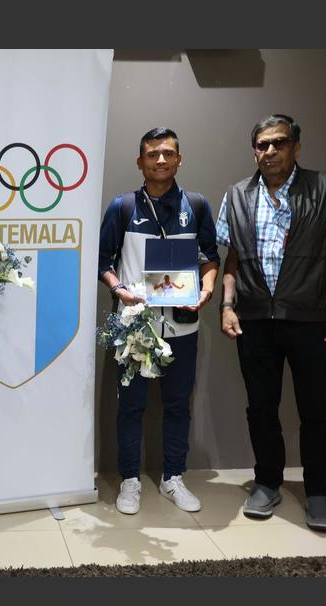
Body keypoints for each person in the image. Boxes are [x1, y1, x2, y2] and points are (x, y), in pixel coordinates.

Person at [216, 114, 326, 532]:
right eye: (262, 145)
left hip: (311, 319)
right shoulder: (237, 195)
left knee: (315, 408)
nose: (270, 152)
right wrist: (227, 306)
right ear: (254, 151)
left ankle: (319, 491)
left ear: (296, 147)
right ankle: (267, 482)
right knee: (260, 408)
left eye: (278, 143)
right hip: (254, 320)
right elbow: (232, 258)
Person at [98, 127, 220, 516]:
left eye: (168, 153)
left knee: (178, 405)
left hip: (183, 327)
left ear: (179, 159)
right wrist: (120, 291)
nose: (161, 160)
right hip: (136, 327)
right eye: (153, 154)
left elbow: (210, 259)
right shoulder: (122, 207)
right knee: (130, 407)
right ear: (140, 162)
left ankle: (173, 478)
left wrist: (207, 289)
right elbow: (103, 262)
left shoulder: (197, 205)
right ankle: (130, 481)